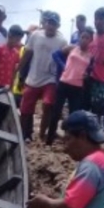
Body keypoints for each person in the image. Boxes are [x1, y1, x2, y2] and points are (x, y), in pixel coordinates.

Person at [18, 10, 65, 142]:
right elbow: (27, 53)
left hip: (50, 78)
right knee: (26, 108)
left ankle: (42, 134)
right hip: (33, 77)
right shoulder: (35, 36)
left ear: (58, 26)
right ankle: (26, 133)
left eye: (54, 24)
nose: (51, 26)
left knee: (48, 104)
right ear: (45, 23)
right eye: (49, 23)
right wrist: (18, 69)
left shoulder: (61, 41)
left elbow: (65, 59)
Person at [47, 27, 93, 144]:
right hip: (64, 83)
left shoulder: (90, 56)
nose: (84, 40)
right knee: (56, 112)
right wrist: (63, 66)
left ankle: (69, 140)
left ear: (90, 40)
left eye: (87, 38)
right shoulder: (72, 48)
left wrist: (87, 75)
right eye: (82, 37)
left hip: (77, 87)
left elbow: (90, 70)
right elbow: (55, 55)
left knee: (73, 114)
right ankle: (49, 139)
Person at [0, 24, 24, 91]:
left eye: (19, 40)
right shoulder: (0, 48)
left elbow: (14, 71)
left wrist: (11, 86)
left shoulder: (16, 53)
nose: (18, 42)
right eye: (17, 40)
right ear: (10, 36)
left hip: (6, 86)